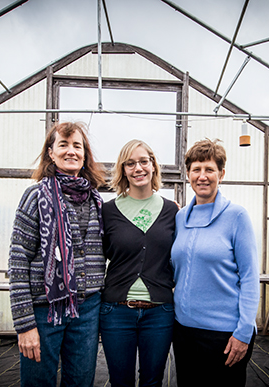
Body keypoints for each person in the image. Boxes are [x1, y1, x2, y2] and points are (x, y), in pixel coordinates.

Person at [8, 121, 106, 387]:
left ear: (85, 154)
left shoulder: (95, 199)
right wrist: (25, 325)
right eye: (63, 144)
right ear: (51, 153)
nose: (71, 151)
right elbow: (18, 262)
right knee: (38, 380)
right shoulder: (36, 196)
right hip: (44, 309)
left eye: (77, 145)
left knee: (80, 380)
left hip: (86, 309)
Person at [171, 138, 260, 387]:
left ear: (221, 173)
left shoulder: (237, 216)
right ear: (188, 174)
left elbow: (251, 278)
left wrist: (243, 332)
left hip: (224, 335)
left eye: (209, 169)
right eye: (196, 169)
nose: (202, 176)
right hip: (184, 330)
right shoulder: (180, 218)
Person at [100, 139, 178, 387]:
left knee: (152, 381)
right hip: (116, 311)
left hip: (160, 313)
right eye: (130, 163)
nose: (138, 168)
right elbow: (96, 257)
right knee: (120, 382)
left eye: (144, 161)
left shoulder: (173, 212)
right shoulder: (107, 211)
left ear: (153, 165)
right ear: (123, 170)